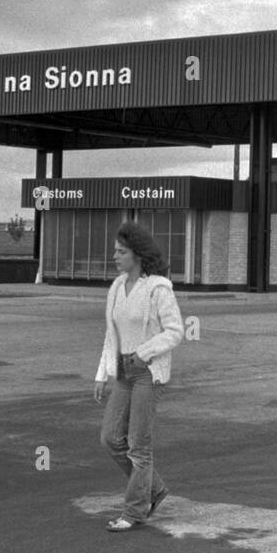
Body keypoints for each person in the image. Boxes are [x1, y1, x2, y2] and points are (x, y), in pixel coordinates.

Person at [93, 222, 185, 532]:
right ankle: (154, 489)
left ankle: (134, 511)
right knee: (110, 438)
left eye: (121, 252)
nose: (115, 256)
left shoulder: (158, 288)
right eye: (115, 251)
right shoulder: (117, 287)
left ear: (138, 255)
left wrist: (144, 352)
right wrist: (102, 373)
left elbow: (175, 332)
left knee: (138, 445)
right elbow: (111, 335)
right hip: (121, 371)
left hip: (147, 373)